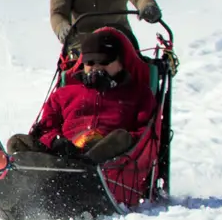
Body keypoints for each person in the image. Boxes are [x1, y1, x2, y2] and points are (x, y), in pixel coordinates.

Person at [8, 28, 156, 164]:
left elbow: (143, 135)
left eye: (104, 62)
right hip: (61, 155)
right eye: (90, 62)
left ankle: (85, 168)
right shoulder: (63, 94)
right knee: (16, 142)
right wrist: (56, 142)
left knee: (121, 137)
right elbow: (46, 128)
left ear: (120, 63)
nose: (96, 67)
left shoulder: (139, 94)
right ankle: (25, 181)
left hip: (110, 162)